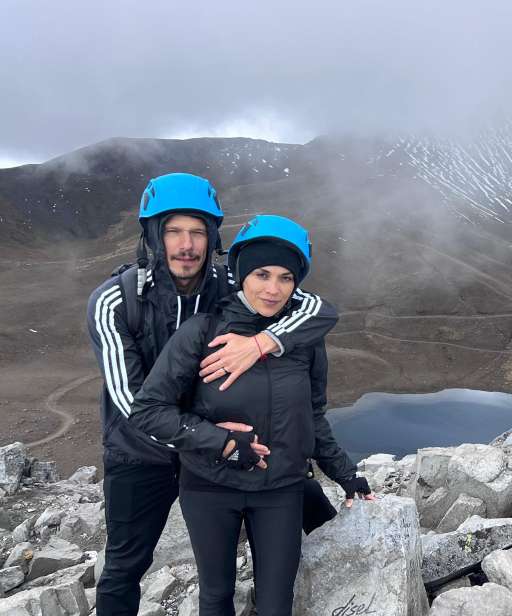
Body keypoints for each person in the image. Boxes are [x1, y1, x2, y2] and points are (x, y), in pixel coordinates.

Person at [85, 174, 339, 616]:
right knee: (126, 565)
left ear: (213, 237)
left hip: (224, 454)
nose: (187, 244)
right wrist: (208, 439)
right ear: (152, 235)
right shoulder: (115, 300)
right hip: (143, 454)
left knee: (305, 509)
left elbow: (318, 310)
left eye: (198, 232)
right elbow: (131, 403)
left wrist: (263, 342)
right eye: (173, 231)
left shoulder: (228, 283)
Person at [129, 214, 374, 616]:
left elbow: (311, 416)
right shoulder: (201, 332)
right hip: (209, 487)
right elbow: (149, 411)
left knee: (277, 604)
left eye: (285, 278)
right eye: (262, 274)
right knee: (216, 597)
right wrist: (221, 442)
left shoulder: (303, 341)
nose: (273, 289)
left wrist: (346, 473)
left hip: (280, 489)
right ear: (241, 274)